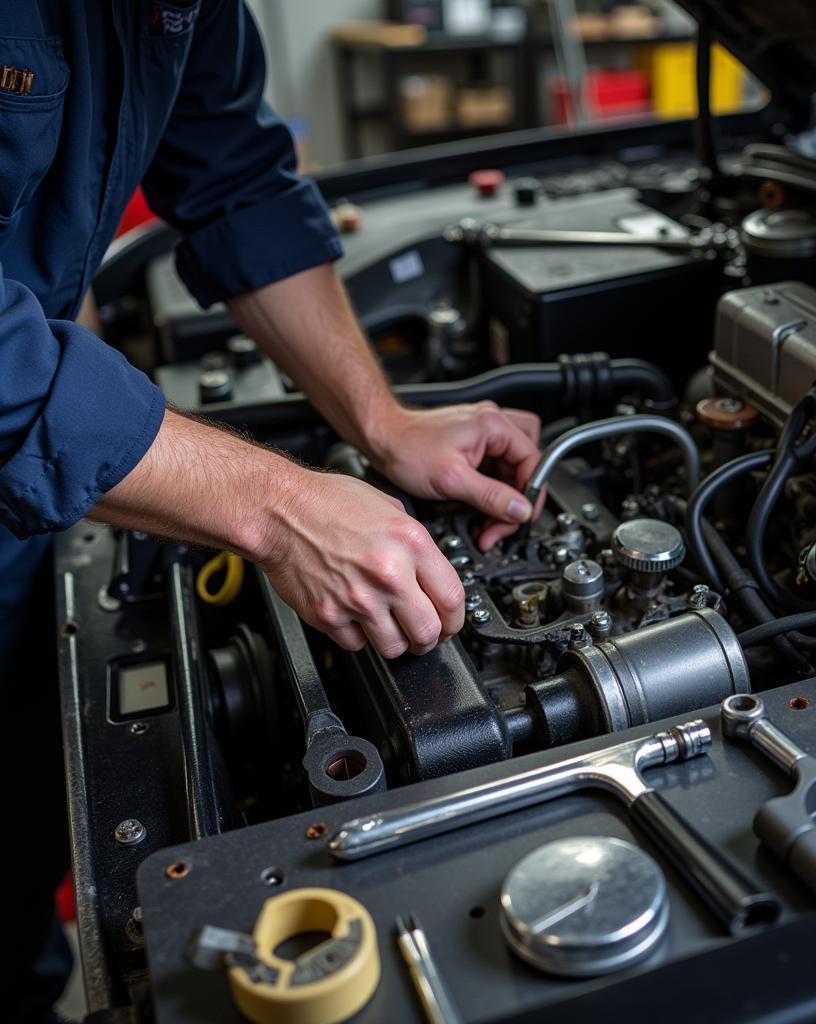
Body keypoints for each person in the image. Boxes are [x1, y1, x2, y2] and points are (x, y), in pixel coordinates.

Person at [2, 4, 539, 1019]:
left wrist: (382, 424)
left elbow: (237, 179)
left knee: (18, 838)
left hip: (18, 487)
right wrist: (280, 505)